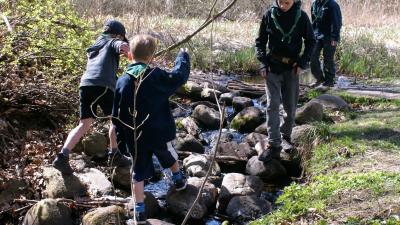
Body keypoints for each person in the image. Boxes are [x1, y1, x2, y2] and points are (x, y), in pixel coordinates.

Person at [112, 34, 190, 224]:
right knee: (169, 155)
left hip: (135, 135)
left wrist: (122, 139)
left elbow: (116, 116)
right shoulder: (156, 75)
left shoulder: (122, 81)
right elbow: (179, 77)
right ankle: (178, 180)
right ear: (152, 57)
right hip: (160, 132)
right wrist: (183, 57)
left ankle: (139, 211)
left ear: (130, 55)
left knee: (137, 172)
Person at [52, 19, 131, 175]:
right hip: (102, 85)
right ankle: (115, 153)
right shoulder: (113, 41)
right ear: (118, 35)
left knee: (84, 124)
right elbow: (117, 45)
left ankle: (62, 157)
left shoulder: (96, 45)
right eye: (122, 38)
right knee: (116, 120)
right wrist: (128, 50)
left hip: (85, 85)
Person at [255, 0, 315, 162]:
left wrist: (303, 63)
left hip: (292, 68)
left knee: (290, 106)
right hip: (272, 68)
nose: (282, 5)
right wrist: (263, 63)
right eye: (280, 2)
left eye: (286, 2)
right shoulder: (269, 15)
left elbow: (311, 41)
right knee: (272, 105)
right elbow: (260, 41)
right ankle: (274, 145)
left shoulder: (301, 17)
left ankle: (286, 136)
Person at [310, 0, 342, 87]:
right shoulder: (314, 4)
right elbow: (313, 22)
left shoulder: (332, 4)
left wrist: (335, 38)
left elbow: (337, 22)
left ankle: (329, 81)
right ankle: (319, 78)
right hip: (317, 35)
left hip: (330, 36)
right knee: (312, 56)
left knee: (328, 58)